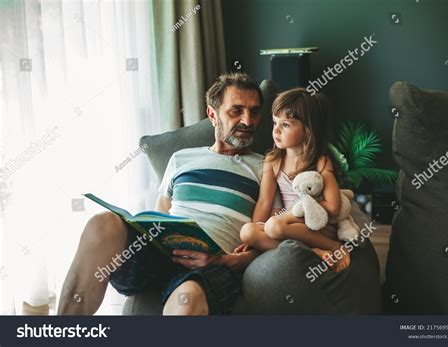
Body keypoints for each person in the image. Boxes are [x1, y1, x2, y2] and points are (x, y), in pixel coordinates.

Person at [58, 73, 333, 316]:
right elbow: (160, 214)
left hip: (211, 266)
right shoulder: (181, 158)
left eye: (254, 111)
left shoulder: (267, 167)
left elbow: (269, 235)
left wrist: (232, 260)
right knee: (102, 223)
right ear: (213, 115)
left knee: (186, 303)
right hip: (157, 255)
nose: (247, 120)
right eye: (236, 111)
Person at [238, 88, 350, 272]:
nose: (276, 130)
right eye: (275, 122)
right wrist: (254, 238)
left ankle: (332, 246)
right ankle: (313, 252)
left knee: (275, 226)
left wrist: (289, 216)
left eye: (286, 125)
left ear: (307, 130)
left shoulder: (320, 162)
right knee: (247, 231)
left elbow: (334, 207)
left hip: (317, 227)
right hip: (286, 227)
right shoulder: (273, 162)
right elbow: (264, 202)